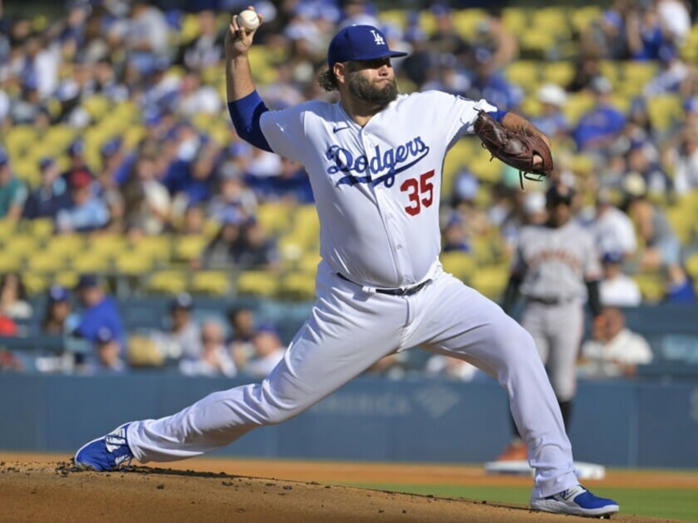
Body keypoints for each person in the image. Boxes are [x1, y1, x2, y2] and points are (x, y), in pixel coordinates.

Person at [74, 17, 618, 517]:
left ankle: (555, 482)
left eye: (389, 61)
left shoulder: (428, 108)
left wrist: (526, 134)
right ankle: (135, 440)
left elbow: (495, 118)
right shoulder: (311, 125)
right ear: (341, 72)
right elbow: (249, 122)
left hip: (434, 293)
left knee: (518, 347)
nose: (386, 69)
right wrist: (237, 54)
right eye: (374, 63)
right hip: (354, 305)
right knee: (272, 403)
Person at [503, 185, 603, 438]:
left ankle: (560, 446)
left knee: (562, 383)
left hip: (568, 309)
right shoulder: (528, 235)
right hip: (534, 308)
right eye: (555, 204)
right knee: (524, 377)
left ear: (570, 207)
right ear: (546, 206)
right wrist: (505, 311)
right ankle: (518, 443)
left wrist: (598, 314)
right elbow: (515, 280)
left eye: (564, 204)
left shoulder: (583, 237)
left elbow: (591, 281)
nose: (559, 209)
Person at [580, 307, 652, 378]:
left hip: (626, 387)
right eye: (606, 319)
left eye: (614, 318)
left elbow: (647, 373)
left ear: (622, 320)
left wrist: (623, 366)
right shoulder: (590, 345)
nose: (611, 322)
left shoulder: (637, 343)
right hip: (595, 388)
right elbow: (580, 371)